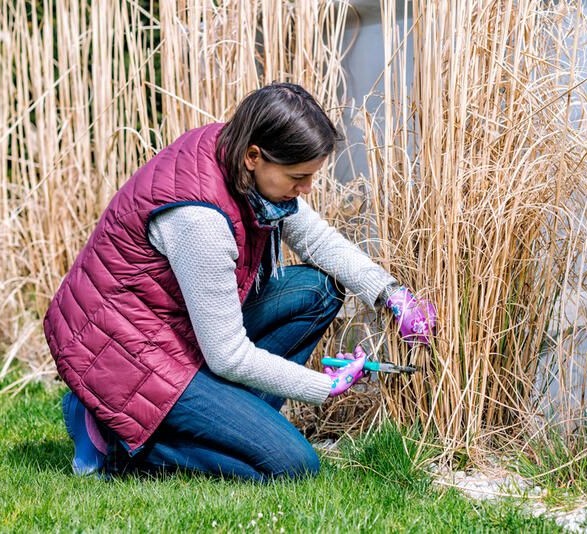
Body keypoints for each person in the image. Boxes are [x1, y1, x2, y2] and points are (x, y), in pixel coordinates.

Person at [44, 82, 437, 482]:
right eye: (298, 177)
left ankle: (232, 425)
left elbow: (315, 239)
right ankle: (112, 437)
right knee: (292, 467)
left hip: (170, 331)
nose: (306, 189)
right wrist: (322, 386)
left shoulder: (234, 155)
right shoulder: (200, 221)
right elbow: (228, 355)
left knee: (318, 291)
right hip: (127, 356)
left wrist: (391, 294)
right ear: (255, 157)